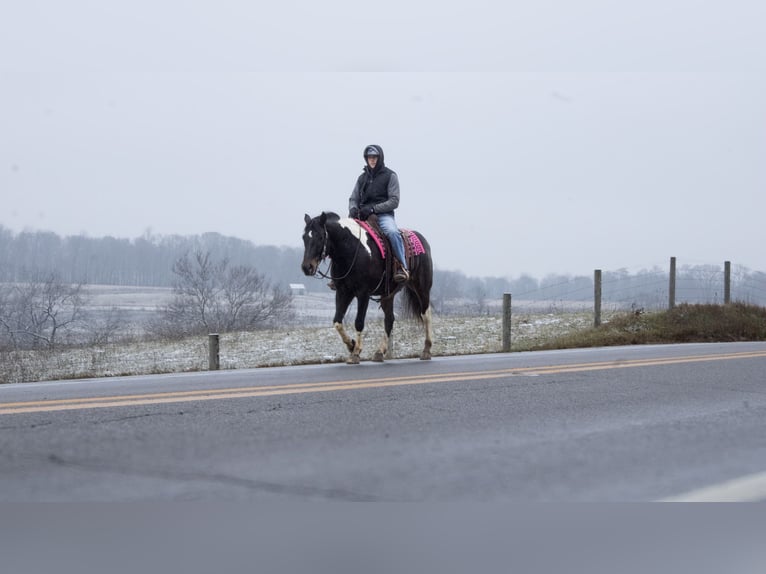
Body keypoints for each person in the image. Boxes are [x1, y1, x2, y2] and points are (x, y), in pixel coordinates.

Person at [348, 144, 409, 283]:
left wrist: (373, 209)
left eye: (375, 157)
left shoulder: (390, 176)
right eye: (370, 157)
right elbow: (353, 198)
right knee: (341, 233)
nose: (372, 160)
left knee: (393, 233)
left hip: (383, 215)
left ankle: (401, 266)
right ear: (366, 159)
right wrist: (352, 209)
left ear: (380, 158)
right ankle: (339, 274)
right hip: (362, 215)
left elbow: (394, 201)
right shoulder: (362, 178)